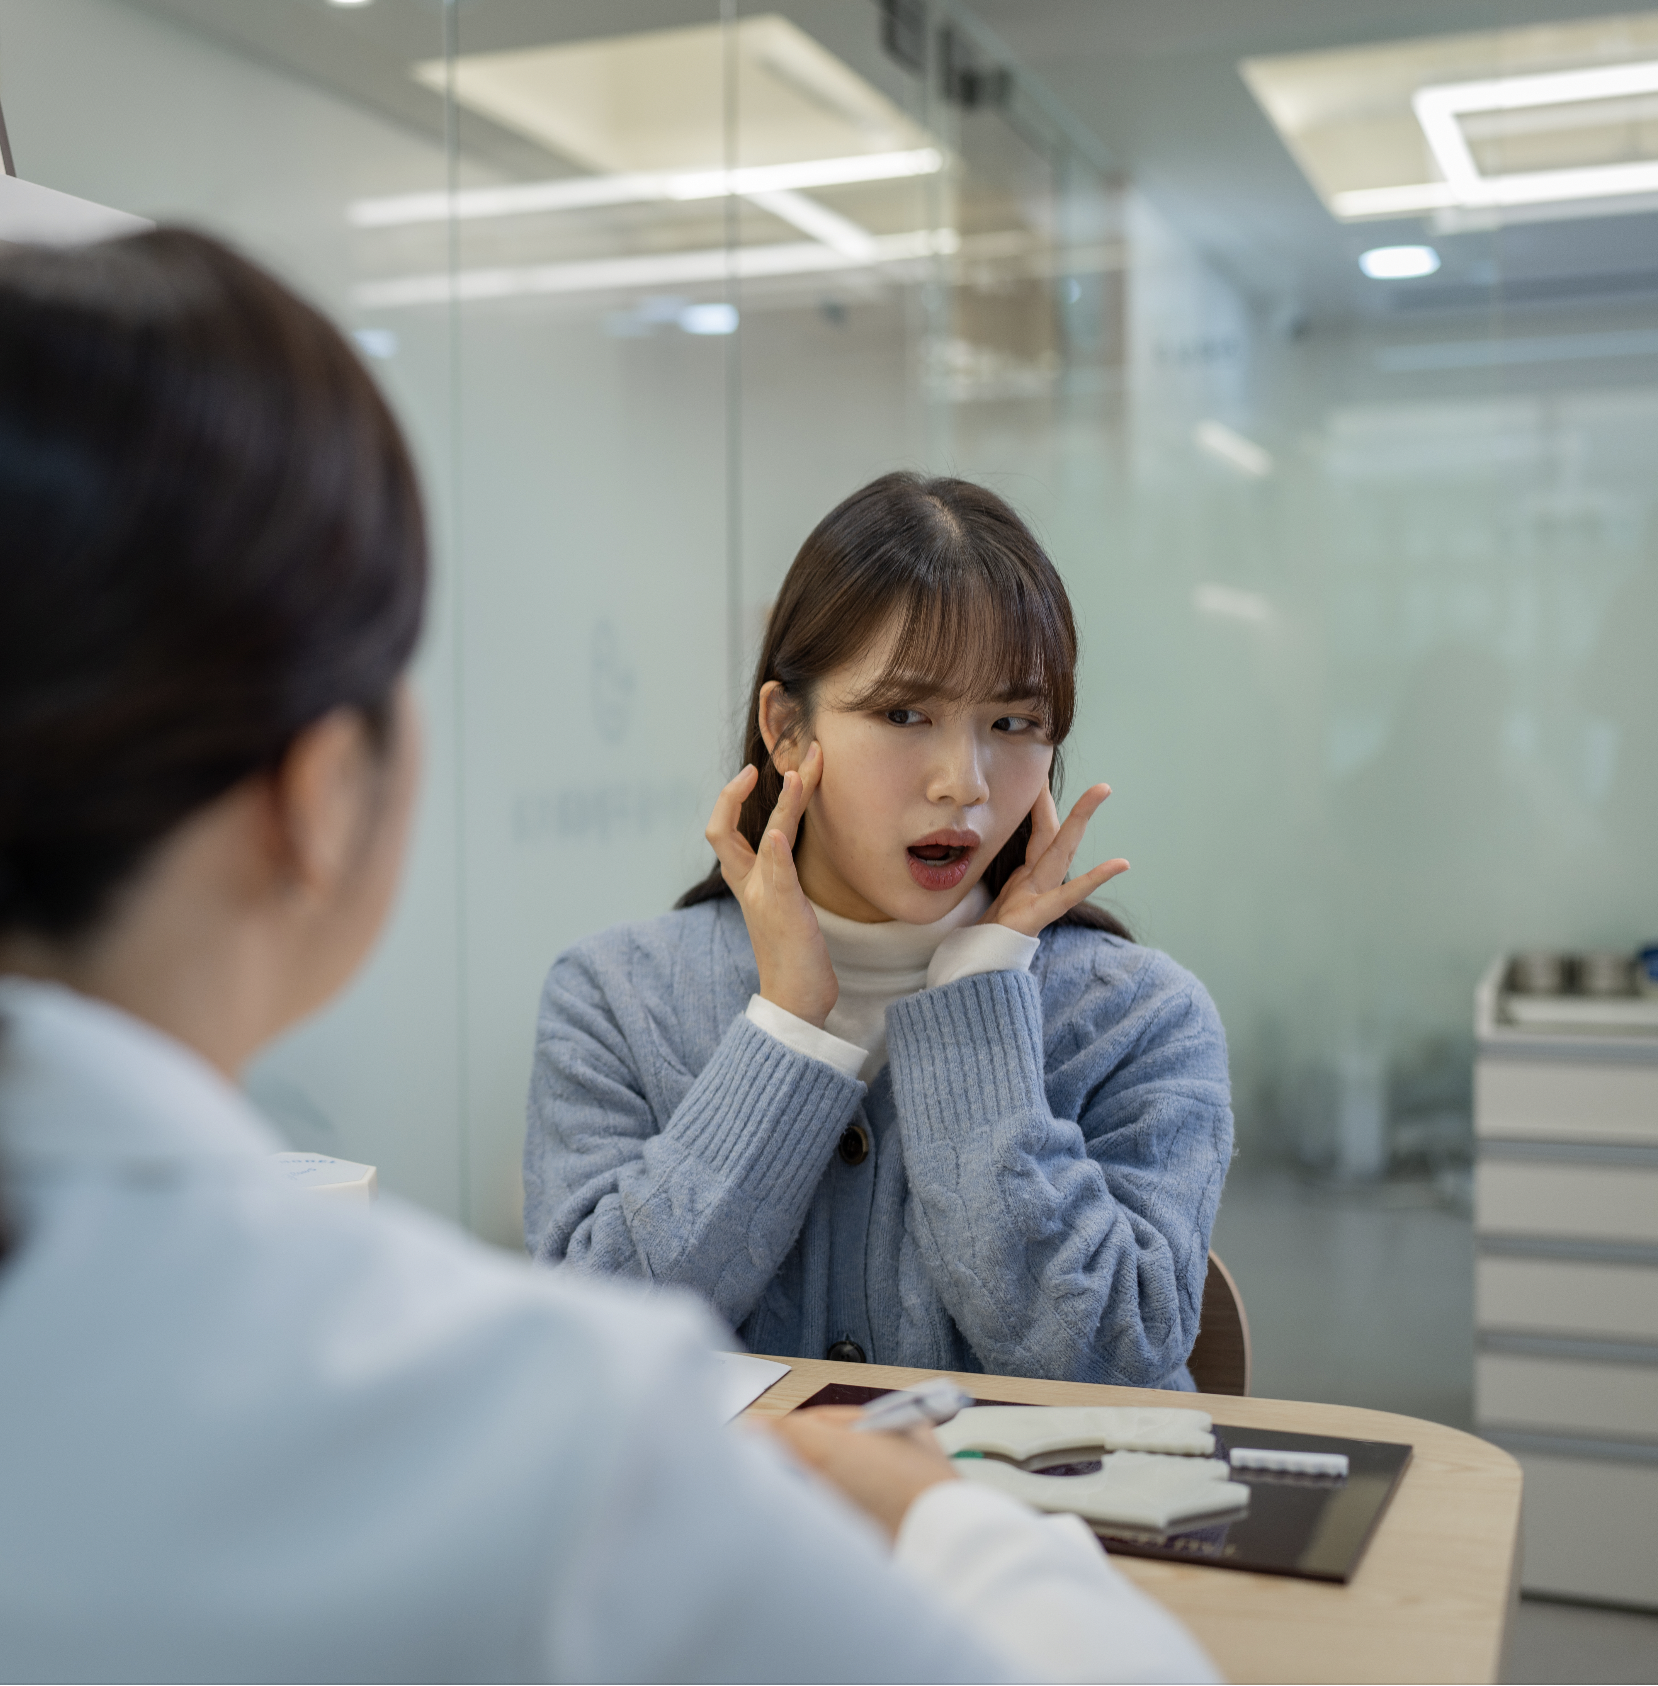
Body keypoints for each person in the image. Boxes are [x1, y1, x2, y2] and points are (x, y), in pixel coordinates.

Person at [0, 233, 1213, 1682]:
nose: (964, 773)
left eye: (1013, 722)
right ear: (319, 789)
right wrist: (939, 1516)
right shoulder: (528, 1439)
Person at [525, 475, 1233, 1389]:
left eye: (1013, 722)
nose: (964, 782)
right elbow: (587, 1354)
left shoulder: (1143, 1018)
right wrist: (787, 1027)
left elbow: (1114, 1356)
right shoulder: (613, 998)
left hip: (1022, 1535)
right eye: (906, 715)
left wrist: (982, 1004)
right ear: (786, 730)